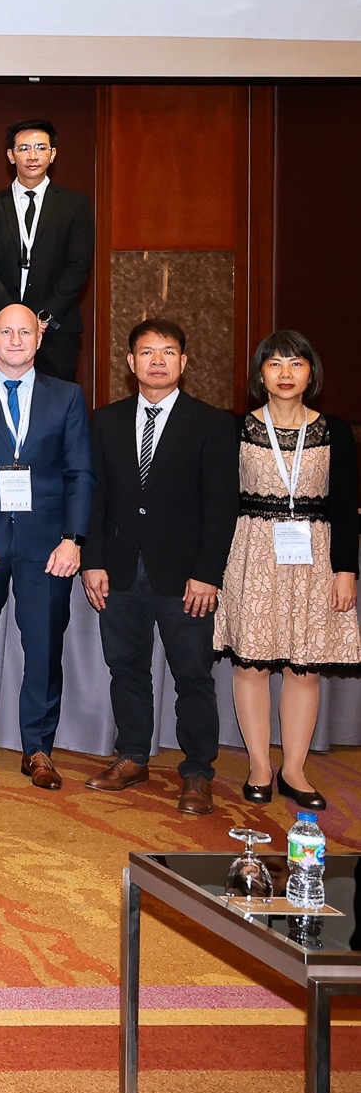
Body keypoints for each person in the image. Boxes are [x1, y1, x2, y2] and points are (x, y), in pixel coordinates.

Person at [81, 320, 237, 814]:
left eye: (168, 352)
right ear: (130, 362)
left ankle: (197, 771)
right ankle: (132, 756)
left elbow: (221, 507)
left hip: (186, 576)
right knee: (126, 668)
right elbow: (94, 497)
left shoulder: (212, 424)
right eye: (147, 352)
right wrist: (92, 561)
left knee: (193, 675)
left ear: (183, 362)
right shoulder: (104, 420)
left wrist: (208, 573)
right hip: (119, 570)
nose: (157, 361)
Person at [0, 304, 92, 789]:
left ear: (39, 338)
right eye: (6, 331)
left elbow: (80, 473)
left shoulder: (67, 396)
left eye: (24, 332)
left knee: (44, 650)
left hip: (47, 546)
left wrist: (73, 539)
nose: (15, 340)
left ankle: (38, 749)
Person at [217, 331, 359, 809]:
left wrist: (346, 570)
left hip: (315, 558)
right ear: (260, 374)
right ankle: (259, 765)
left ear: (310, 373)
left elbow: (345, 506)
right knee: (251, 665)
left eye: (296, 363)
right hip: (252, 553)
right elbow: (221, 503)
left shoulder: (335, 431)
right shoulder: (235, 429)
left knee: (304, 669)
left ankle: (295, 770)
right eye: (275, 363)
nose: (285, 373)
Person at [0, 119, 94, 383]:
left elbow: (78, 267)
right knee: (0, 399)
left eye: (40, 147)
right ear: (10, 155)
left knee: (55, 401)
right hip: (4, 329)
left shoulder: (74, 205)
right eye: (24, 148)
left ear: (53, 153)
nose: (32, 155)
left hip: (56, 327)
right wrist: (13, 318)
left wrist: (43, 317)